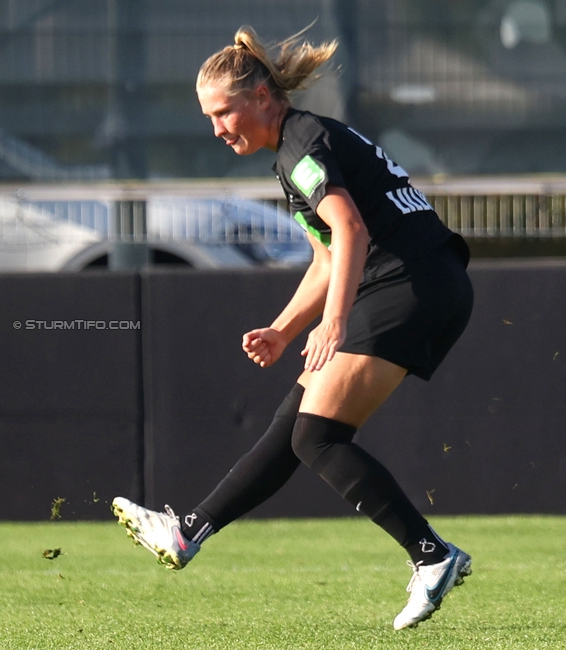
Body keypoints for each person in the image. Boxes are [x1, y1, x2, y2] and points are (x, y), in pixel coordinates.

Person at [111, 25, 474, 631]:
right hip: (414, 283)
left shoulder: (301, 146)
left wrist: (332, 323)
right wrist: (283, 329)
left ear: (260, 97)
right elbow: (328, 258)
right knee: (296, 427)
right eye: (208, 117)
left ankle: (431, 556)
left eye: (224, 111)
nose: (217, 128)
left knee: (318, 438)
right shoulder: (295, 149)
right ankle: (188, 532)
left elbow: (352, 231)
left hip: (411, 285)